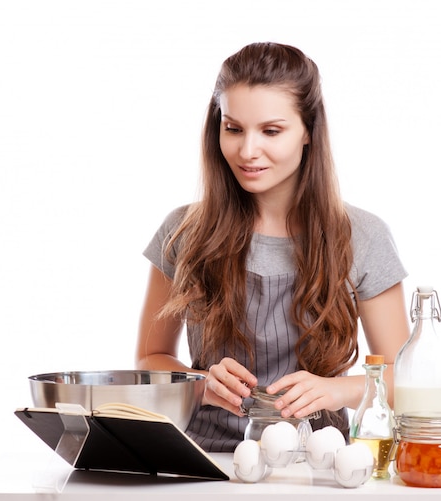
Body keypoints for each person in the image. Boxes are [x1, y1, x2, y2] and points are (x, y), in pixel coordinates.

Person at [136, 42, 410, 452]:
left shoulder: (361, 235)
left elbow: (403, 377)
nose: (247, 151)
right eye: (233, 129)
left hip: (320, 461)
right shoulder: (183, 232)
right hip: (203, 462)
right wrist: (198, 383)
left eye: (271, 131)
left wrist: (337, 391)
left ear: (308, 132)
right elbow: (149, 359)